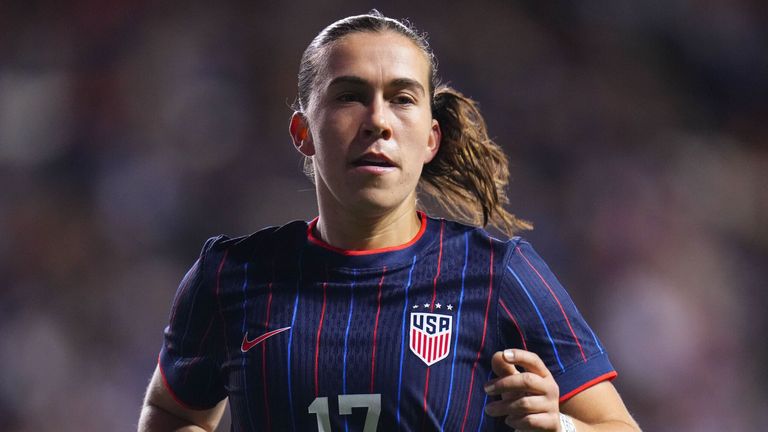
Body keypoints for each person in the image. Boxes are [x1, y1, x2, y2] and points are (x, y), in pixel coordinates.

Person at [138, 10, 640, 432]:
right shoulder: (230, 275)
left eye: (402, 98)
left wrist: (563, 425)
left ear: (430, 138)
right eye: (350, 95)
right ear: (302, 133)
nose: (377, 120)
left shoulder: (499, 275)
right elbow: (171, 411)